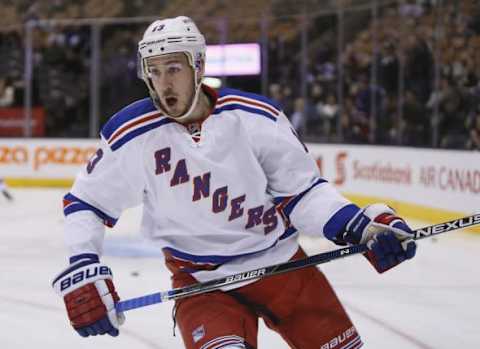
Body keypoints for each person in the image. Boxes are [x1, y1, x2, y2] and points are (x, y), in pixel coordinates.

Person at [52, 16, 417, 349]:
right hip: (201, 283)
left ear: (199, 67)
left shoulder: (256, 118)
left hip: (283, 268)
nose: (163, 83)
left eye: (174, 68)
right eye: (155, 70)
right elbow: (86, 203)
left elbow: (304, 194)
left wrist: (360, 228)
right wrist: (83, 264)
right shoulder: (130, 135)